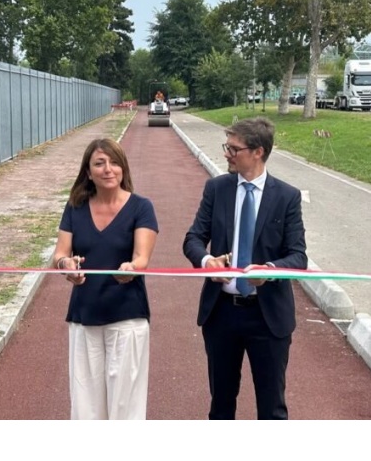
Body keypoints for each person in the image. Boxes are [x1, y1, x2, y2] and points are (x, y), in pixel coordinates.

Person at [183, 117, 307, 420]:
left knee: (272, 407)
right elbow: (193, 238)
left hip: (268, 317)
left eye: (234, 148)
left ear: (258, 152)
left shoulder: (286, 197)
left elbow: (298, 257)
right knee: (221, 404)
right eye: (227, 146)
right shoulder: (217, 189)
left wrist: (270, 269)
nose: (227, 153)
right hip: (222, 313)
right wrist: (206, 262)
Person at [51, 138, 159, 420]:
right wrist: (67, 265)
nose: (108, 169)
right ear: (88, 172)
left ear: (123, 168)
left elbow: (141, 259)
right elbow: (59, 255)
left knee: (125, 408)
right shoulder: (75, 207)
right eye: (99, 163)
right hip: (84, 316)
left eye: (114, 162)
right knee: (85, 406)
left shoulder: (141, 207)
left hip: (127, 318)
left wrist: (131, 268)